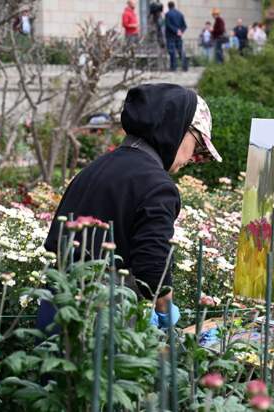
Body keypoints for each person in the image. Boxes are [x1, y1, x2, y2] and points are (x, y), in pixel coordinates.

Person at [39, 83, 222, 331]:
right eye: (197, 144)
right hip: (101, 321)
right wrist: (166, 312)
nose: (193, 157)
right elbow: (152, 267)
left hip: (55, 307)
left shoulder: (95, 168)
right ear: (176, 128)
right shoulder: (157, 185)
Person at [165, 1, 188, 71]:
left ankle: (173, 67)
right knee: (180, 51)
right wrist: (180, 31)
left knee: (172, 52)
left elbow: (168, 25)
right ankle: (185, 67)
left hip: (170, 36)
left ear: (168, 6)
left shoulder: (168, 14)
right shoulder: (180, 14)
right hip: (178, 36)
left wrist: (176, 31)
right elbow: (185, 26)